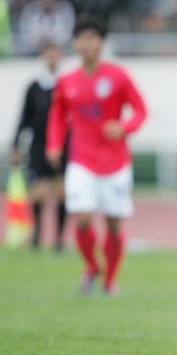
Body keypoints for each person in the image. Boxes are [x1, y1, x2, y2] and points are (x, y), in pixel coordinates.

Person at [46, 17, 147, 296]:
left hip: (115, 163)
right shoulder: (66, 81)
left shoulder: (118, 76)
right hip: (81, 161)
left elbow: (140, 110)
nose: (86, 44)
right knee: (81, 218)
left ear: (101, 43)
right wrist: (54, 144)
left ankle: (109, 280)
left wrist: (124, 127)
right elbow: (57, 115)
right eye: (81, 39)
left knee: (113, 225)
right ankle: (92, 266)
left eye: (92, 38)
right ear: (74, 43)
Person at [11, 42, 66, 251]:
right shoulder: (34, 87)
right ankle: (37, 233)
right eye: (49, 54)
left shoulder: (65, 84)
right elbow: (24, 117)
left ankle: (59, 237)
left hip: (62, 145)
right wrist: (16, 145)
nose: (52, 58)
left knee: (62, 191)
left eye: (56, 54)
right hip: (39, 144)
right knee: (38, 192)